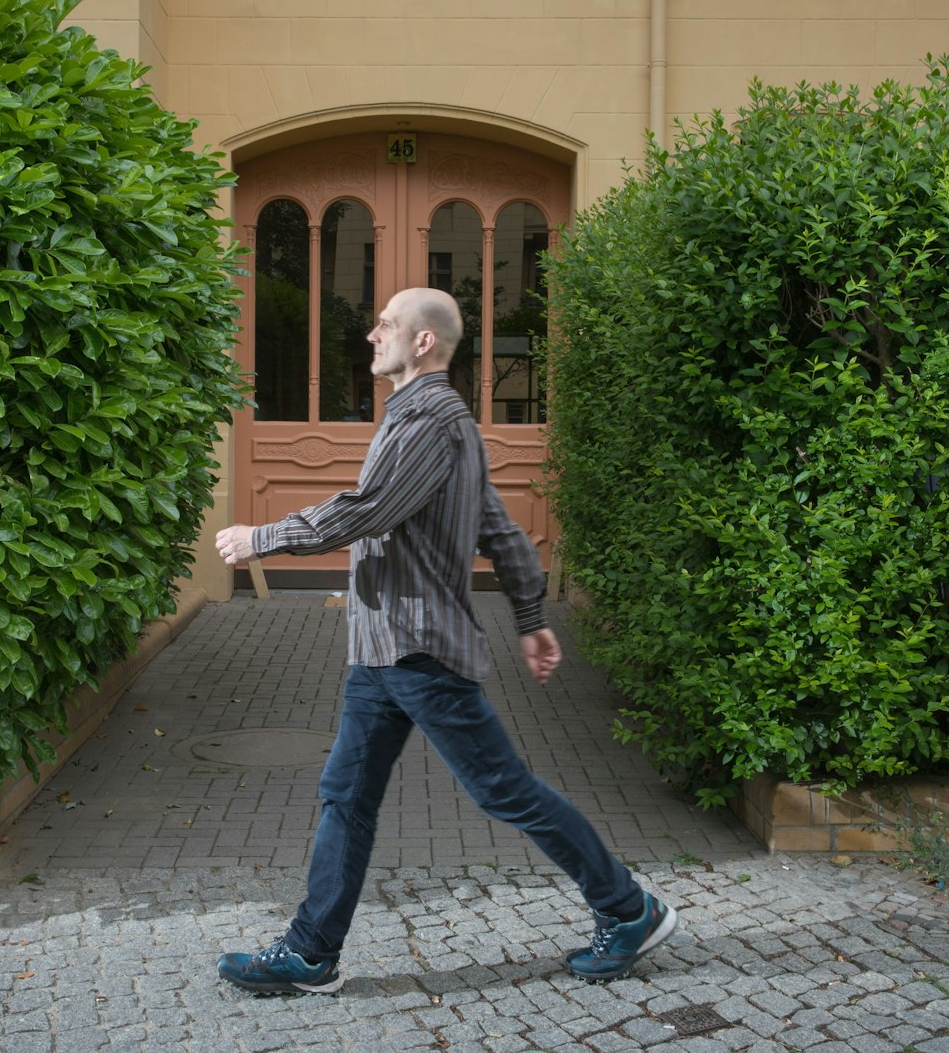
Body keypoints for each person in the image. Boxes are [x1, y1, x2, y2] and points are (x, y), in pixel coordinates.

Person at [212, 287, 676, 995]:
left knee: (503, 790)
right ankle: (312, 954)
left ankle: (628, 908)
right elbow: (501, 530)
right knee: (346, 794)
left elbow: (368, 511)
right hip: (381, 650)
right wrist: (531, 618)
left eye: (387, 325)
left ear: (423, 342)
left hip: (419, 649)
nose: (372, 335)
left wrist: (261, 538)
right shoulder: (429, 423)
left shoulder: (431, 420)